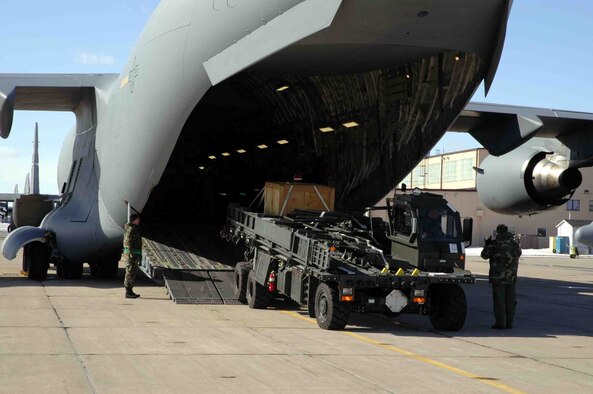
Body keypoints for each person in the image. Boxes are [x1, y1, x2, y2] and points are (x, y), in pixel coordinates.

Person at [481, 224, 522, 329]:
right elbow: (518, 254)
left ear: (498, 232)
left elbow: (484, 255)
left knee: (499, 301)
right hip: (511, 277)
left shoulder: (494, 244)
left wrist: (487, 244)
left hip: (497, 277)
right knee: (510, 301)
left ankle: (500, 323)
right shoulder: (514, 244)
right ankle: (509, 323)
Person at [123, 213, 142, 298]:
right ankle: (128, 291)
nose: (139, 221)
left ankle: (130, 291)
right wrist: (131, 254)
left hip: (134, 254)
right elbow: (127, 242)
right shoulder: (130, 229)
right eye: (137, 219)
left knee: (132, 272)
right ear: (134, 220)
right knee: (130, 272)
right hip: (131, 255)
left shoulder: (134, 229)